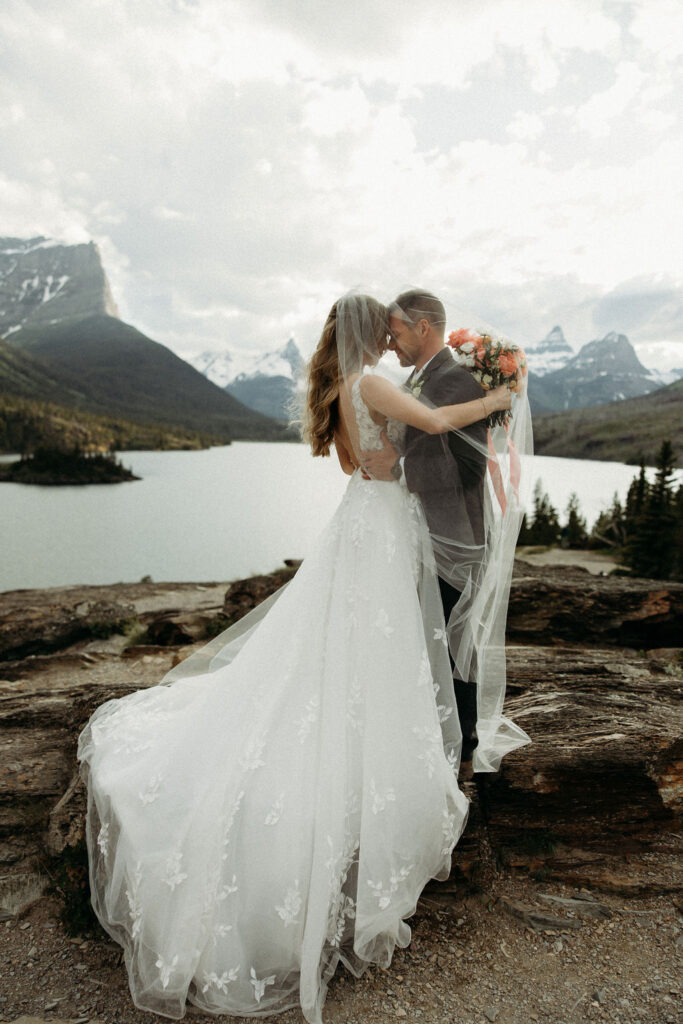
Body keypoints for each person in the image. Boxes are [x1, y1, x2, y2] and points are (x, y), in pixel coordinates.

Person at [77, 293, 513, 1024]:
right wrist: (497, 396)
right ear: (369, 330)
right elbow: (434, 423)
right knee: (376, 644)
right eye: (385, 325)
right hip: (382, 526)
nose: (390, 333)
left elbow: (376, 454)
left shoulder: (341, 387)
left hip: (360, 520)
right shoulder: (373, 382)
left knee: (342, 645)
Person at [361, 289, 532, 776]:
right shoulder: (423, 378)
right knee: (436, 633)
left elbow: (470, 465)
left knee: (456, 637)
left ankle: (463, 748)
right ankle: (441, 736)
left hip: (455, 533)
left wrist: (399, 466)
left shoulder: (454, 379)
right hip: (431, 528)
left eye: (394, 333)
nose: (390, 344)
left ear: (422, 327)